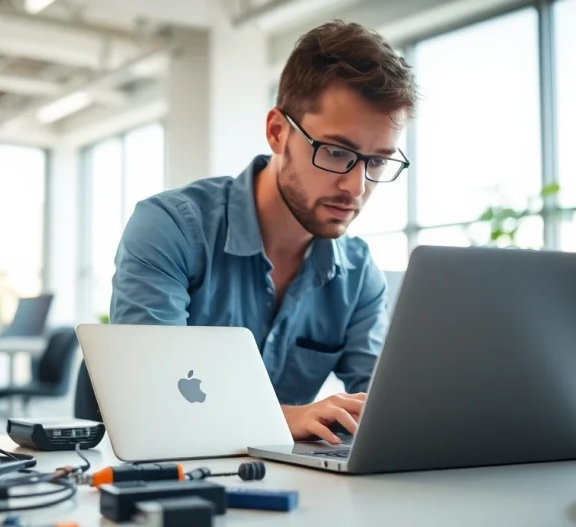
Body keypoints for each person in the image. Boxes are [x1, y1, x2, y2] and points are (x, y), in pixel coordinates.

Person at [109, 20, 417, 445]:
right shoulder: (171, 228)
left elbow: (386, 405)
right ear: (277, 132)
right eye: (336, 152)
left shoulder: (359, 273)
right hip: (161, 476)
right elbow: (147, 397)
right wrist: (279, 417)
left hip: (285, 487)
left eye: (377, 161)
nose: (356, 186)